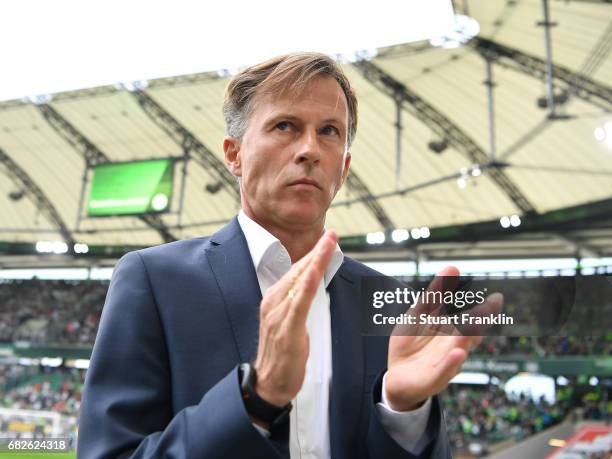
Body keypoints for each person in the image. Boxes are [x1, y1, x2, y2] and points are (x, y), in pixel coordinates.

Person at [78, 52, 490, 458]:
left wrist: (403, 412)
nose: (309, 149)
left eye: (329, 131)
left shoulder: (384, 300)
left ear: (343, 168)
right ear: (234, 154)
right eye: (285, 126)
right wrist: (253, 400)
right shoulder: (154, 280)